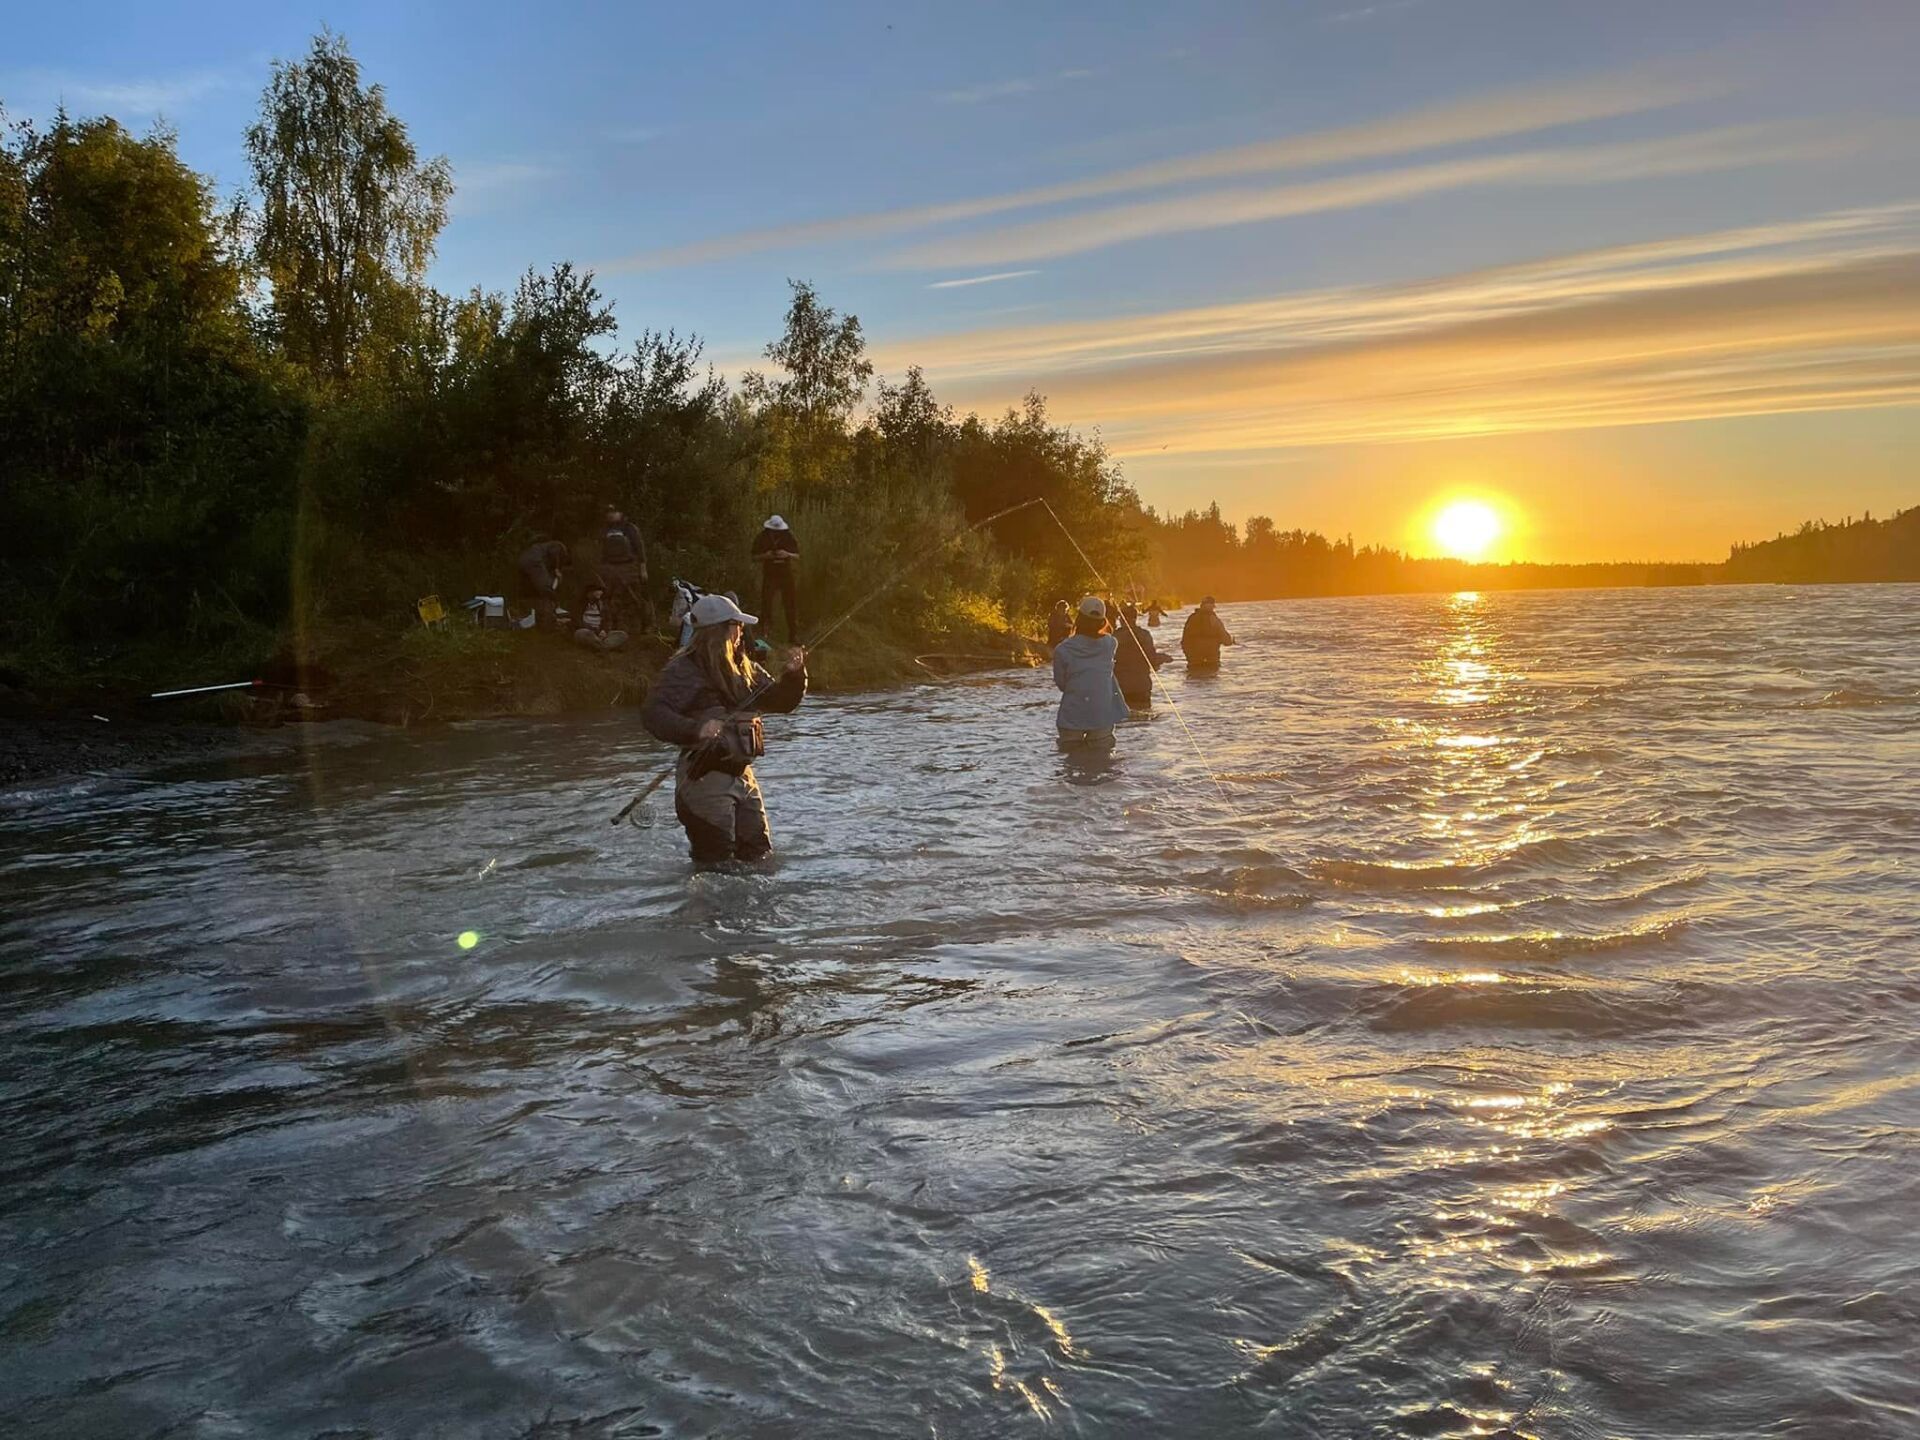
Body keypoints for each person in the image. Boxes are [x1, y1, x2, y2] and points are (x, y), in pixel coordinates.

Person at [642, 593, 808, 862]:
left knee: (760, 858)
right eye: (737, 624)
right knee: (716, 865)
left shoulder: (745, 668)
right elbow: (653, 714)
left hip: (744, 777)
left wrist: (795, 675)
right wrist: (697, 729)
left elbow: (782, 702)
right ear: (720, 630)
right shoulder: (683, 670)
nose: (742, 630)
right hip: (704, 780)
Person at [1052, 596, 1129, 748]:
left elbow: (1062, 684)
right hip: (1102, 714)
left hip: (1072, 714)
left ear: (1079, 618)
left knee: (1071, 762)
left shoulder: (1062, 650)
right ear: (1103, 621)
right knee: (1102, 762)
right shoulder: (1111, 644)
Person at [598, 504, 653, 631]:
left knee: (635, 596)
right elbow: (602, 551)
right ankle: (611, 625)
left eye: (614, 511)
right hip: (609, 568)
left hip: (629, 567)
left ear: (621, 513)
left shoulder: (630, 528)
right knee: (608, 596)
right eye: (608, 512)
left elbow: (640, 549)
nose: (611, 514)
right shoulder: (605, 530)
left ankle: (646, 624)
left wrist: (642, 568)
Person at [752, 514, 800, 643]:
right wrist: (766, 556)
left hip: (786, 574)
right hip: (770, 574)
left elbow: (797, 555)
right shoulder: (762, 537)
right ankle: (765, 632)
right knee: (766, 604)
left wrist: (786, 554)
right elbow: (754, 556)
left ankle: (793, 635)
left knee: (790, 604)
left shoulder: (788, 536)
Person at [1113, 601, 1166, 710]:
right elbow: (1152, 660)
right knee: (1143, 716)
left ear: (1121, 619)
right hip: (1142, 687)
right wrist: (1162, 659)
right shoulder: (1145, 635)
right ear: (1135, 618)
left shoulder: (1113, 638)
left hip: (1120, 688)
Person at [517, 540, 569, 632]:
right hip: (534, 560)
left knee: (537, 589)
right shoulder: (557, 548)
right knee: (546, 588)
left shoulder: (540, 547)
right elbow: (545, 585)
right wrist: (557, 569)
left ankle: (538, 616)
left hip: (525, 560)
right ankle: (552, 615)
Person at [1181, 595, 1235, 670]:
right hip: (1211, 658)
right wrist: (1230, 642)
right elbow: (1225, 639)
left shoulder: (1192, 618)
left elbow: (1184, 639)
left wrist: (1188, 653)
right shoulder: (1213, 619)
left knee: (1195, 675)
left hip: (1194, 658)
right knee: (1211, 675)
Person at [572, 583, 629, 652]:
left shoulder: (603, 605)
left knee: (622, 635)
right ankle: (603, 646)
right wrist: (594, 631)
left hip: (600, 634)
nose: (600, 592)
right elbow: (577, 621)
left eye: (600, 591)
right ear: (589, 593)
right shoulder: (580, 604)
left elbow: (608, 621)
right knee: (581, 633)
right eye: (597, 590)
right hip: (588, 632)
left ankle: (600, 646)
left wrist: (604, 631)